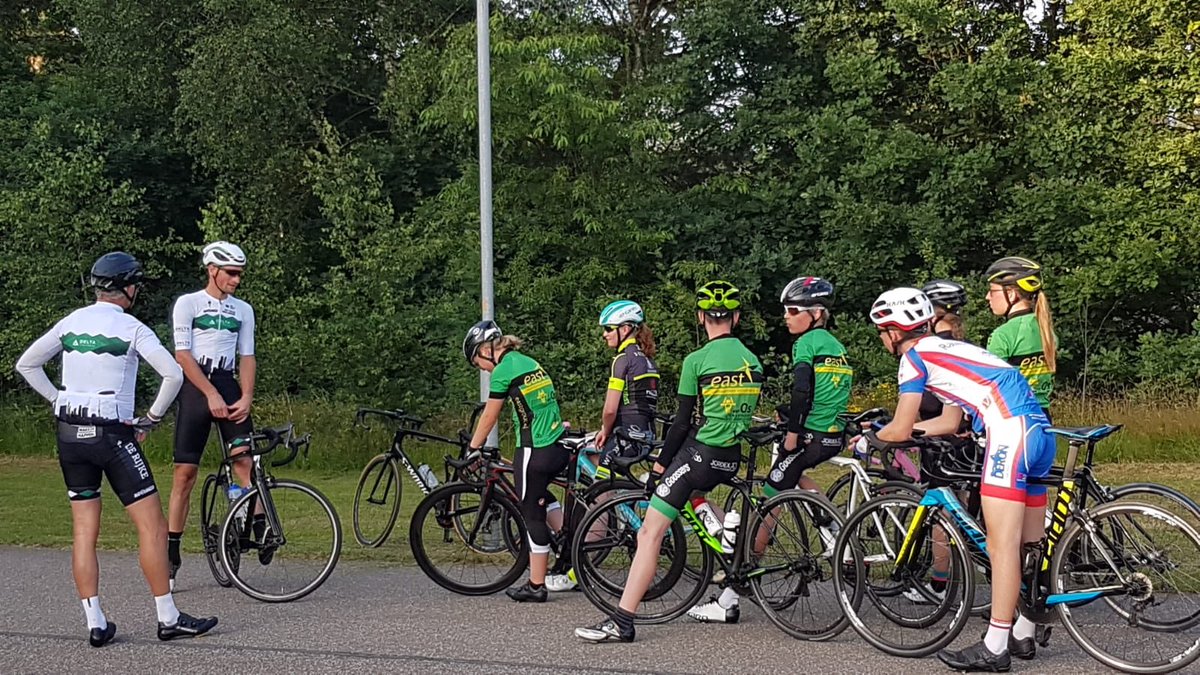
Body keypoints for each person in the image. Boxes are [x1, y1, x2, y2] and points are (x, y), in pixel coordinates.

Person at [14, 252, 218, 646]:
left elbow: (27, 364)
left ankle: (95, 622)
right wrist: (153, 417)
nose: (137, 290)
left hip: (69, 433)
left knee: (84, 530)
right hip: (112, 433)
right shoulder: (132, 327)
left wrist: (58, 400)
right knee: (152, 526)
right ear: (126, 287)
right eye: (135, 284)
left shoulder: (71, 322)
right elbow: (173, 374)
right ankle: (168, 616)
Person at [867, 287, 1053, 671]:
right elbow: (948, 422)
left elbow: (900, 428)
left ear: (894, 331)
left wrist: (870, 435)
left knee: (1002, 547)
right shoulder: (950, 348)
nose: (883, 338)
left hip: (1008, 432)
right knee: (1028, 545)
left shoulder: (913, 358)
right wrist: (914, 431)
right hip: (1037, 430)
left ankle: (995, 646)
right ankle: (1024, 632)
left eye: (882, 331)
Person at [576, 280, 764, 643]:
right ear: (736, 318)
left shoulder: (697, 360)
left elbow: (680, 424)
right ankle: (727, 541)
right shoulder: (752, 360)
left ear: (700, 317)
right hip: (732, 455)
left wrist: (661, 465)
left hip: (701, 453)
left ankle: (622, 621)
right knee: (692, 494)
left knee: (649, 532)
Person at [688, 276, 851, 624]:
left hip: (809, 435)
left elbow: (803, 390)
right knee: (794, 479)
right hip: (832, 435)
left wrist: (792, 432)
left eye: (793, 311)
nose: (787, 317)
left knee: (767, 506)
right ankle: (834, 530)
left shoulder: (806, 344)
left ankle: (733, 593)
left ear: (816, 313)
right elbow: (829, 394)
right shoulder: (836, 346)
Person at [546, 300, 660, 593]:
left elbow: (610, 409)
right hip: (643, 435)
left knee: (597, 499)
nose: (604, 335)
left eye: (608, 329)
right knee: (605, 487)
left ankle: (578, 573)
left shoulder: (622, 360)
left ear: (625, 329)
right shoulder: (646, 358)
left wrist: (605, 431)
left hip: (624, 438)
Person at [166, 242, 257, 590]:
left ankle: (247, 526)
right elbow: (183, 355)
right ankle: (172, 554)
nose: (236, 280)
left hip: (228, 380)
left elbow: (247, 356)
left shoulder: (243, 309)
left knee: (244, 462)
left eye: (239, 274)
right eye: (231, 273)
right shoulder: (187, 303)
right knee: (185, 473)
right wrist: (210, 394)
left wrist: (245, 395)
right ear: (212, 270)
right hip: (196, 385)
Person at [464, 320, 571, 603]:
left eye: (477, 362)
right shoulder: (528, 362)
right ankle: (569, 545)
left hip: (535, 448)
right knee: (541, 496)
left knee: (531, 513)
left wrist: (472, 448)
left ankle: (536, 585)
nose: (482, 370)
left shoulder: (502, 371)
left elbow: (489, 416)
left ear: (486, 350)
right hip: (556, 442)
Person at [985, 257, 1056, 417]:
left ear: (1010, 294)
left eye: (992, 291)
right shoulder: (1046, 330)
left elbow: (991, 387)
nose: (987, 297)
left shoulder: (1002, 335)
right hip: (1044, 415)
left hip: (1015, 416)